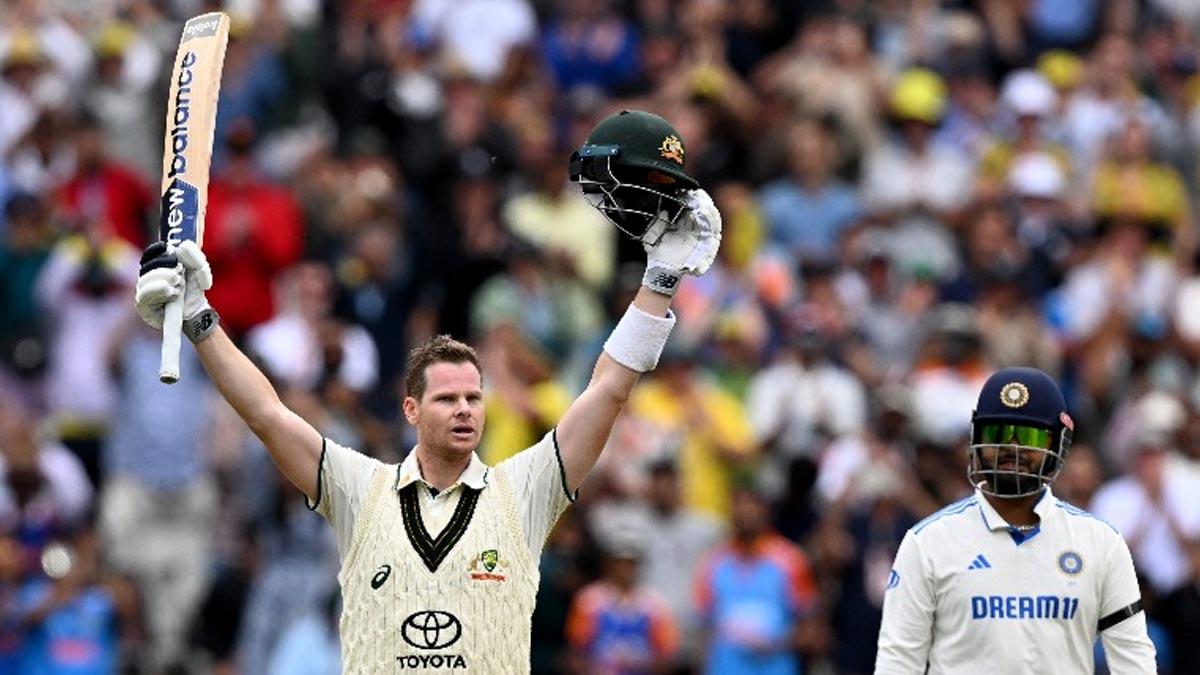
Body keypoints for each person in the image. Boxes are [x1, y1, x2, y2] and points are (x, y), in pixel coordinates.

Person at [133, 109, 721, 673]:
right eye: (447, 398)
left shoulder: (524, 492)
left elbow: (609, 389)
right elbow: (266, 415)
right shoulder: (360, 488)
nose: (465, 409)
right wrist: (200, 318)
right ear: (410, 409)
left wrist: (660, 280)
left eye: (473, 397)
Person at [875, 366, 1156, 673]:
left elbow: (1133, 659)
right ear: (976, 439)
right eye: (997, 433)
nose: (1012, 447)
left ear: (1055, 445)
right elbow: (898, 662)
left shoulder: (1100, 543)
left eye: (1028, 435)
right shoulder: (928, 542)